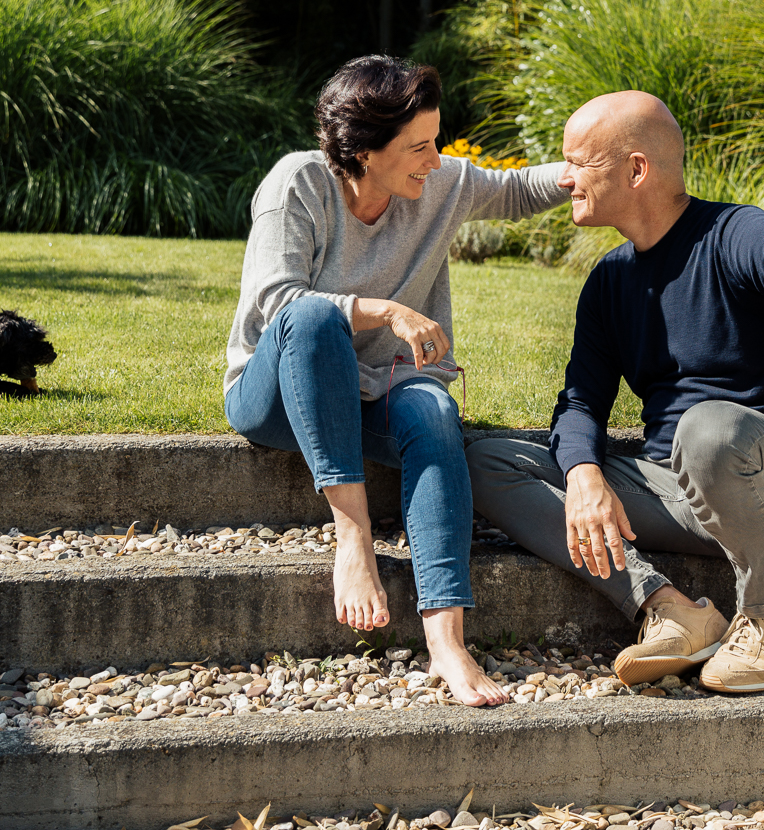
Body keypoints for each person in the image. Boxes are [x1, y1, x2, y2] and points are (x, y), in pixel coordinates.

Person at [467, 91, 764, 693]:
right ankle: (671, 610)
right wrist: (585, 473)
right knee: (487, 462)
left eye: (578, 163)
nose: (562, 179)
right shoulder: (611, 280)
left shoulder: (737, 236)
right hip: (674, 490)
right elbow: (581, 401)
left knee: (708, 427)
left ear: (636, 170)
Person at [224, 55, 566, 707]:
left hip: (380, 390)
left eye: (434, 141)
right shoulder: (297, 183)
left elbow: (519, 191)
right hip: (276, 395)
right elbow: (278, 303)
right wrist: (383, 310)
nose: (435, 159)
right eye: (418, 147)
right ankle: (352, 536)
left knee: (434, 411)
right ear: (362, 149)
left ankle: (446, 638)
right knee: (314, 317)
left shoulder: (438, 184)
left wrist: (593, 166)